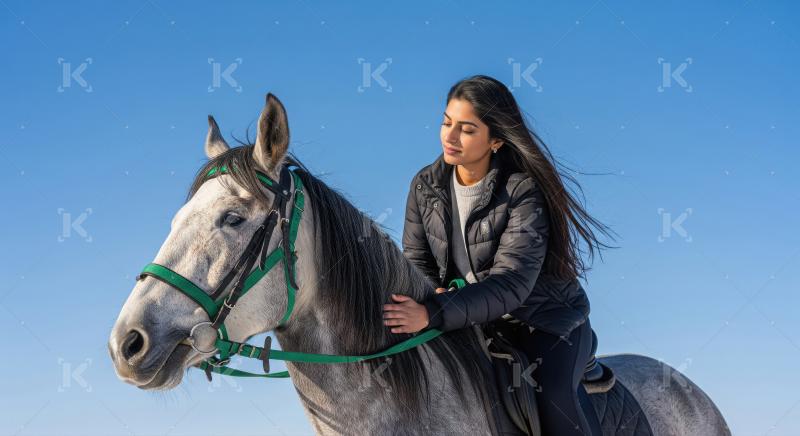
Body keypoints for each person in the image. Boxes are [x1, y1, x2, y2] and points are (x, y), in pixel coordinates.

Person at [383, 75, 617, 435]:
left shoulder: (523, 191)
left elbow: (511, 284)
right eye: (446, 122)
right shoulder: (424, 186)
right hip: (471, 319)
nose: (450, 136)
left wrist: (433, 311)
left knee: (551, 398)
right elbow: (417, 260)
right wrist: (430, 294)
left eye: (466, 129)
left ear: (495, 140)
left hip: (544, 322)